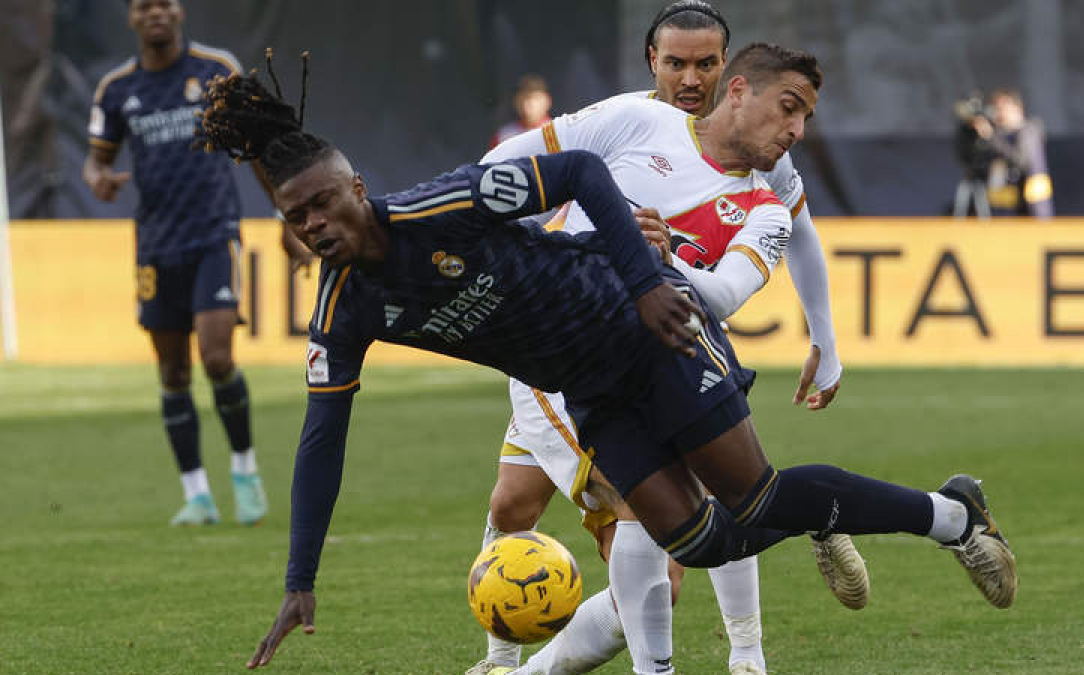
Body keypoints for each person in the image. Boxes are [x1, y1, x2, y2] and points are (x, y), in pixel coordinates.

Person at [205, 48, 1020, 674]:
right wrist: (300, 578)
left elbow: (580, 172)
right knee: (700, 541)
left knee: (757, 493)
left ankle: (954, 515)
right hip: (586, 387)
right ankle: (827, 514)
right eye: (295, 216)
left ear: (355, 187)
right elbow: (321, 438)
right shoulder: (341, 312)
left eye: (322, 201)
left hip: (643, 328)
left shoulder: (445, 206)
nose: (313, 224)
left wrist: (645, 283)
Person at [470, 6, 857, 675]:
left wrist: (825, 337)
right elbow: (505, 167)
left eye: (706, 63)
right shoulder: (627, 120)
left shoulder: (761, 149)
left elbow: (800, 234)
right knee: (526, 504)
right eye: (676, 63)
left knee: (656, 519)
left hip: (665, 347)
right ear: (652, 60)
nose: (690, 78)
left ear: (729, 69)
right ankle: (502, 660)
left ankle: (746, 654)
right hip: (569, 346)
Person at [83, 0, 270, 526]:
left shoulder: (216, 69)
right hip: (155, 246)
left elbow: (257, 146)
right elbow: (96, 161)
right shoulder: (116, 89)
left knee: (217, 358)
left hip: (214, 235)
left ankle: (245, 473)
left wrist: (286, 216)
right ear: (131, 18)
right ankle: (197, 496)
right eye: (144, 6)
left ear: (179, 11)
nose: (155, 13)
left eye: (163, 3)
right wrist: (98, 179)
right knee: (172, 371)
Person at [978, 88, 1054, 219]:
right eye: (997, 109)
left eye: (1003, 108)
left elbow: (1021, 160)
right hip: (1006, 209)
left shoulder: (1029, 131)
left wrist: (992, 138)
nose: (1000, 113)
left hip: (1032, 208)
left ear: (1018, 109)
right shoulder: (1000, 135)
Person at [490, 74, 553, 149]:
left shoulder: (558, 131)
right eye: (522, 98)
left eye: (535, 98)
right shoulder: (504, 136)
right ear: (515, 102)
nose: (527, 104)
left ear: (547, 101)